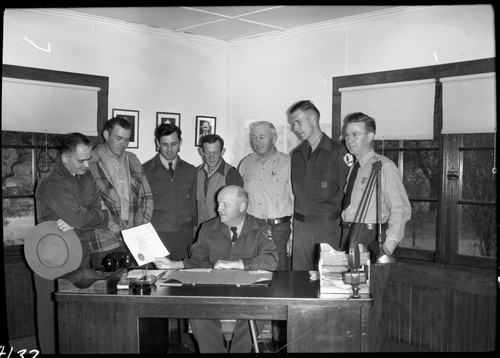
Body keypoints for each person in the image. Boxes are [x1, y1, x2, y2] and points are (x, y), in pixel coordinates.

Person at [154, 185, 278, 353]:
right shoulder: (208, 228)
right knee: (198, 313)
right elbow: (198, 260)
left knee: (258, 313)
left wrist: (237, 263)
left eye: (225, 204)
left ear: (242, 207)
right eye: (218, 203)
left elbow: (270, 260)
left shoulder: (260, 228)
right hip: (214, 291)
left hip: (250, 292)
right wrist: (175, 264)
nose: (218, 209)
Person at [34, 132, 115, 354]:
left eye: (89, 158)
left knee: (76, 314)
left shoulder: (86, 176)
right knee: (52, 314)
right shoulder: (52, 182)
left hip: (81, 254)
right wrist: (88, 218)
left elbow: (102, 213)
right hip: (53, 258)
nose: (88, 164)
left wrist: (87, 218)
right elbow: (81, 217)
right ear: (65, 158)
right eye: (82, 160)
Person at [339, 112, 411, 352]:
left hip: (370, 241)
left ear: (370, 136)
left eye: (355, 134)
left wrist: (386, 248)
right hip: (350, 238)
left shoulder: (383, 166)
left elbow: (400, 209)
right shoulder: (356, 168)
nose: (349, 139)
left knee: (371, 307)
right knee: (352, 304)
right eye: (347, 134)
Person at [238, 121, 294, 348]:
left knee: (278, 283)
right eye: (254, 138)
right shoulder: (245, 164)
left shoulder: (288, 163)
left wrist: (293, 235)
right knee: (253, 280)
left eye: (262, 137)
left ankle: (280, 341)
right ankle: (255, 336)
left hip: (279, 229)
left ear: (274, 138)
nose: (257, 142)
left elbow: (297, 200)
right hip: (253, 230)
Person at [143, 123, 198, 351]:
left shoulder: (191, 170)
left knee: (186, 289)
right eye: (164, 145)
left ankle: (188, 342)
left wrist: (194, 237)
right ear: (157, 144)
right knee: (157, 290)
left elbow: (193, 206)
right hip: (157, 236)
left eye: (174, 144)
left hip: (184, 236)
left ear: (180, 143)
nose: (169, 150)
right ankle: (157, 343)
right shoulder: (145, 169)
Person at [287, 100, 350, 270]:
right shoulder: (296, 155)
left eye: (298, 122)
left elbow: (349, 197)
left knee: (328, 282)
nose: (295, 128)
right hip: (300, 230)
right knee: (300, 284)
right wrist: (293, 234)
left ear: (313, 118)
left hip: (327, 229)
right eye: (293, 124)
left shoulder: (338, 152)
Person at [88, 117, 154, 268]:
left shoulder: (133, 160)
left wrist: (141, 229)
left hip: (134, 241)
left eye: (126, 140)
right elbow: (92, 205)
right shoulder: (89, 163)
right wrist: (116, 230)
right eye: (118, 138)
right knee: (107, 289)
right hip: (104, 241)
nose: (123, 144)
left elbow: (147, 197)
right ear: (106, 135)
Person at [197, 134, 243, 228]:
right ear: (201, 151)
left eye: (215, 152)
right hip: (200, 231)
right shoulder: (196, 173)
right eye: (207, 152)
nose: (211, 157)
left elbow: (237, 209)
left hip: (223, 231)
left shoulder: (232, 175)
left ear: (222, 151)